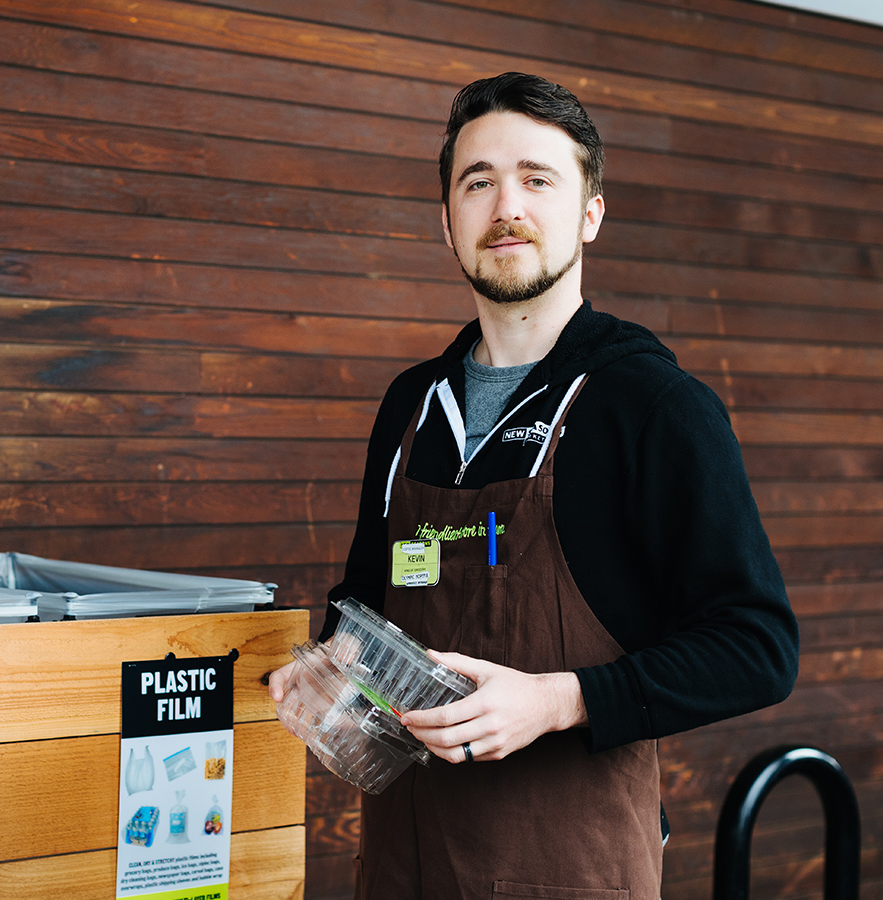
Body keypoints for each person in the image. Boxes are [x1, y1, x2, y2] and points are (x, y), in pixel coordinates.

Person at [269, 72, 799, 899]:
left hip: (570, 871)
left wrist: (560, 701)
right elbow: (368, 593)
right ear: (447, 223)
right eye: (477, 182)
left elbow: (757, 646)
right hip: (403, 869)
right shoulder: (412, 406)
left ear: (589, 212)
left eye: (537, 178)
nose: (505, 205)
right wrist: (333, 660)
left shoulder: (653, 407)